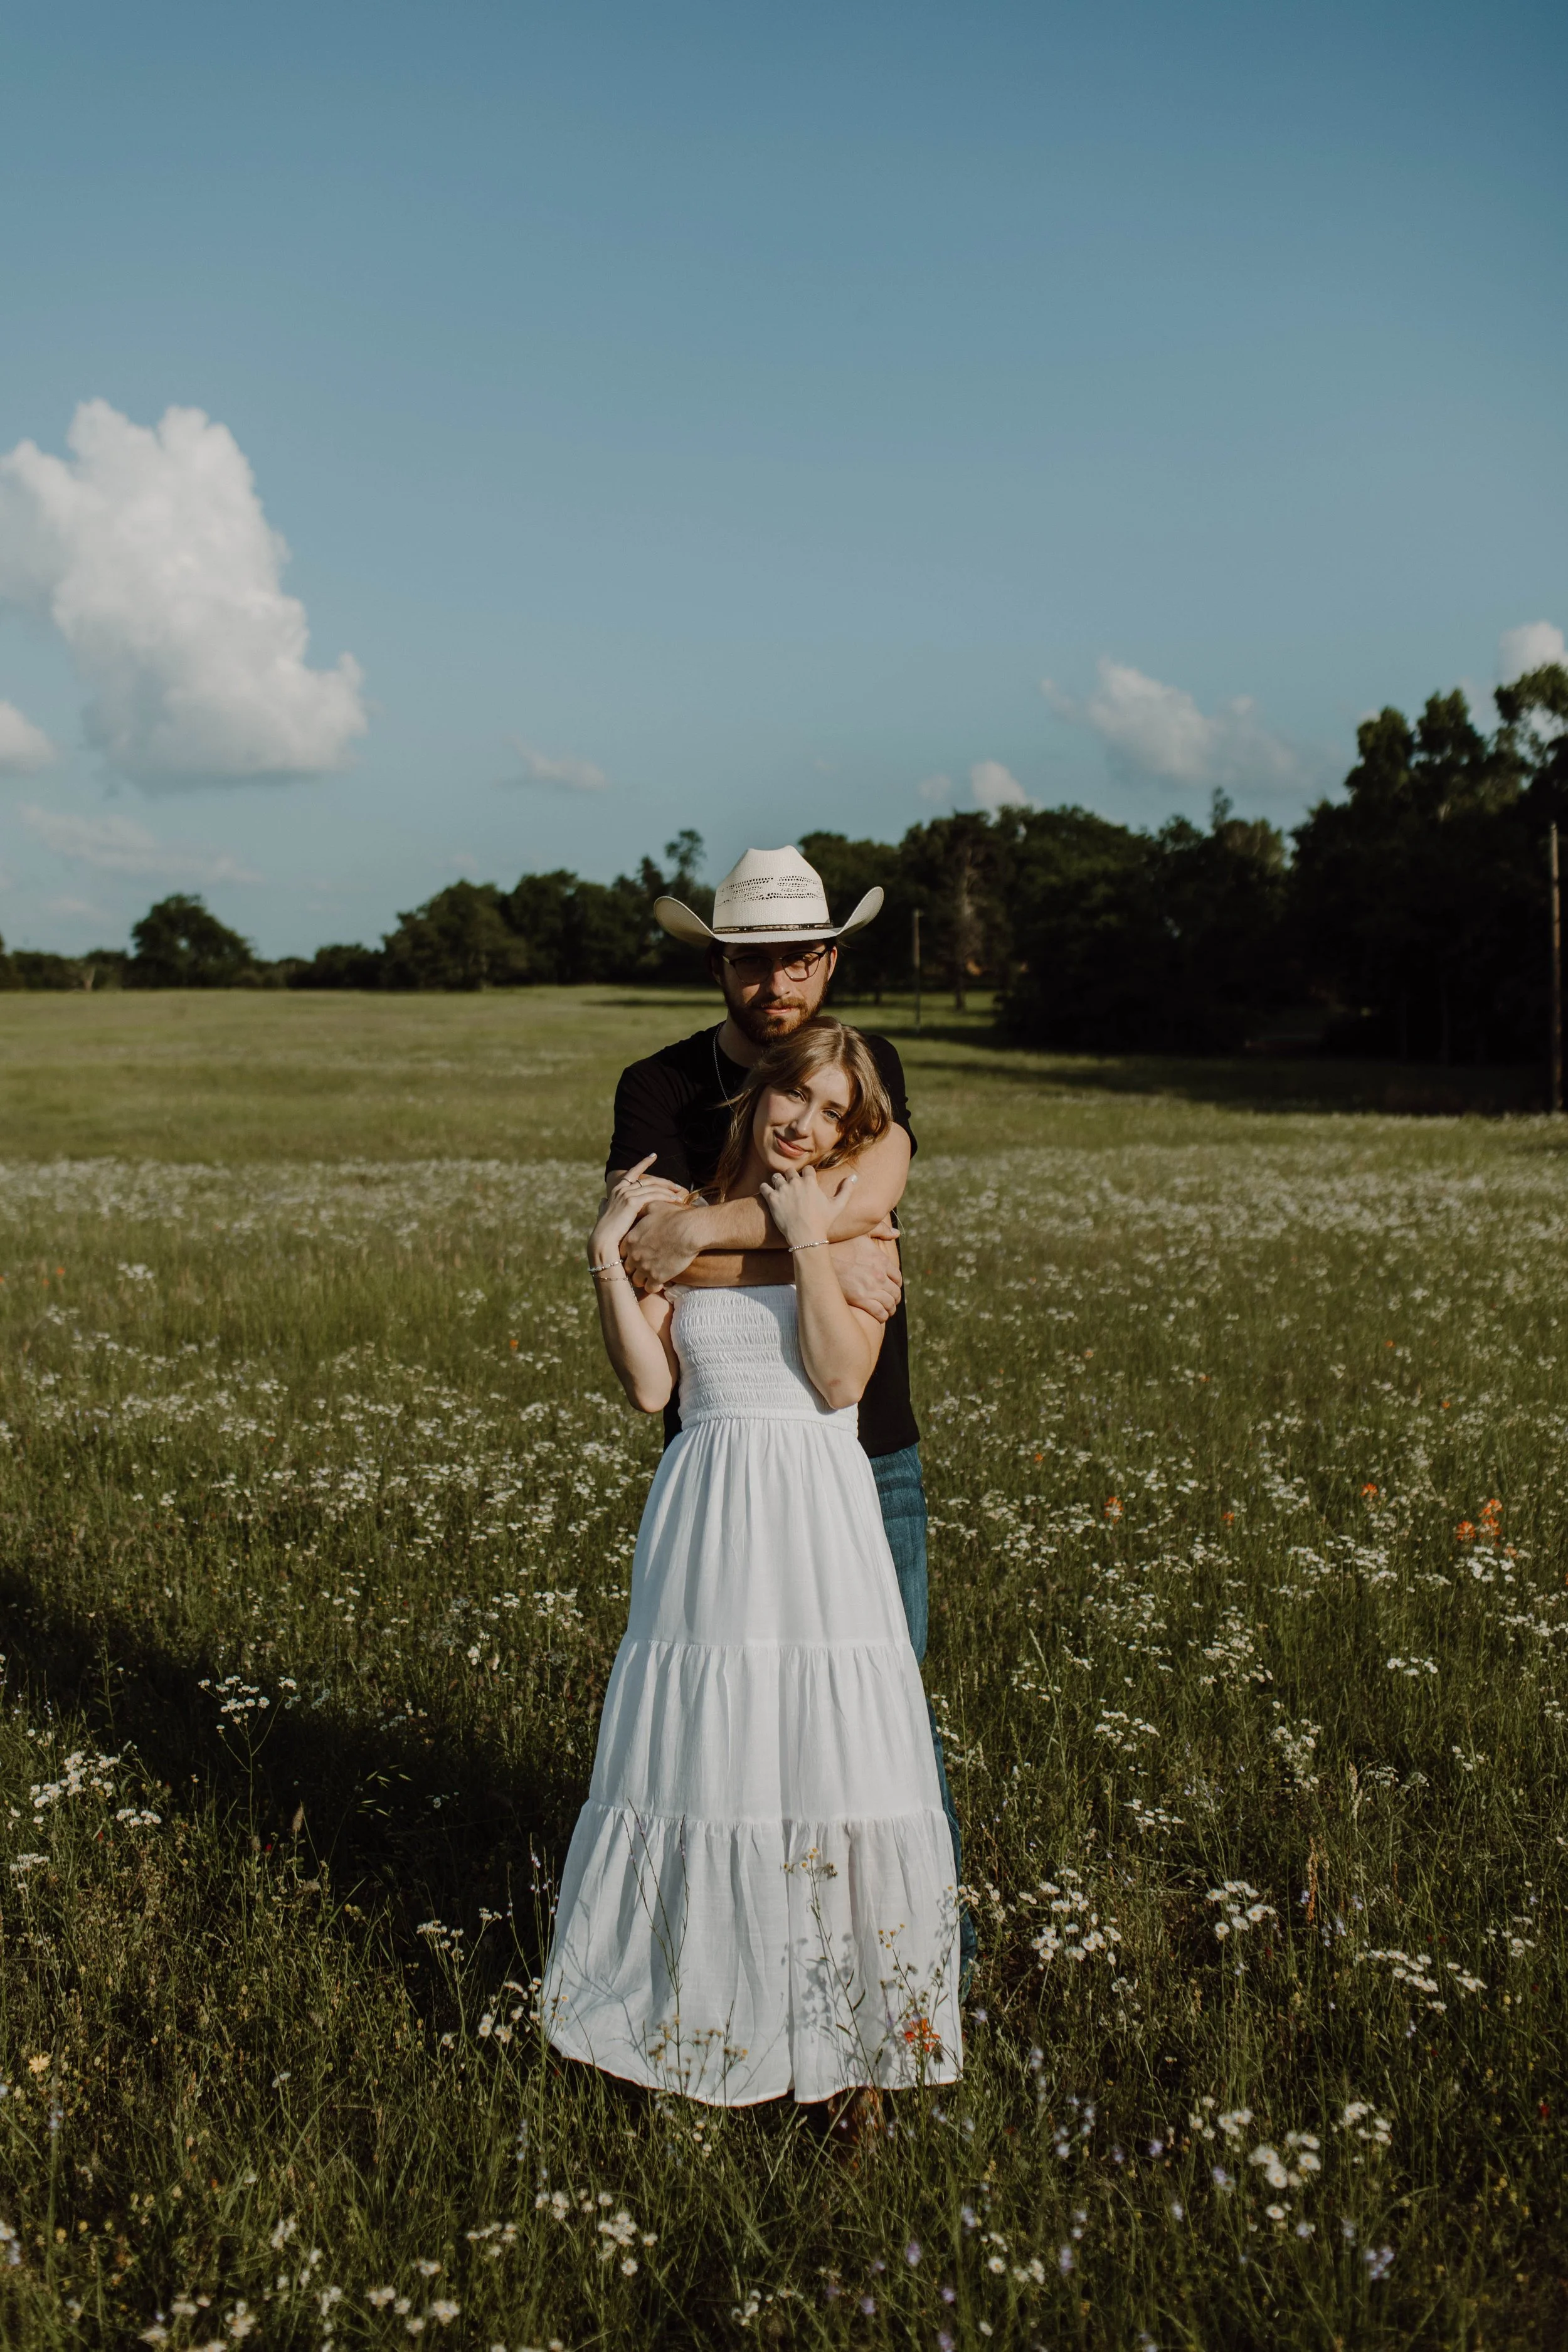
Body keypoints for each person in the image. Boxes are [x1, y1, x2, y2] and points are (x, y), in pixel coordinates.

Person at [541, 1016, 961, 2111]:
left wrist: (812, 1241)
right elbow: (647, 1385)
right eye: (796, 1100)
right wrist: (606, 1259)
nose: (808, 1124)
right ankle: (703, 2023)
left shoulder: (858, 1232)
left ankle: (859, 2058)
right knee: (711, 1759)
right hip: (707, 1510)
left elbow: (835, 1381)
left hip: (816, 1513)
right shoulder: (687, 1214)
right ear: (760, 1091)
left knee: (831, 1759)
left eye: (834, 1115)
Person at [603, 845, 973, 1984]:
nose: (781, 983)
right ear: (721, 965)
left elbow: (874, 1192)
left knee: (875, 1723)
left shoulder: (868, 1063)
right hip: (720, 1463)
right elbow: (636, 1253)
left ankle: (916, 1987)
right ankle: (733, 1977)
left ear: (829, 957)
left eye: (802, 957)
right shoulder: (658, 1086)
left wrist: (709, 1234)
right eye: (756, 961)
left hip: (869, 1450)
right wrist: (815, 1245)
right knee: (727, 1735)